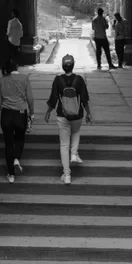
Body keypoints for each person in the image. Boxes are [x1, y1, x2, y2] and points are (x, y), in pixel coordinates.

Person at [44, 54, 92, 183]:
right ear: (73, 65)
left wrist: (48, 112)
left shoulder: (58, 80)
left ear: (63, 66)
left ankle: (67, 175)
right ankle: (74, 154)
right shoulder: (79, 80)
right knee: (76, 132)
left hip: (62, 115)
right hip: (77, 115)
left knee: (64, 145)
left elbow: (53, 99)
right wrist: (89, 113)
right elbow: (85, 99)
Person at [0, 57, 35, 183]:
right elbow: (30, 98)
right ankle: (17, 158)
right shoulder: (24, 78)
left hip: (6, 114)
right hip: (21, 113)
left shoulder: (2, 81)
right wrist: (32, 113)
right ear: (16, 68)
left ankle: (11, 174)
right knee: (20, 138)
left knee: (8, 143)